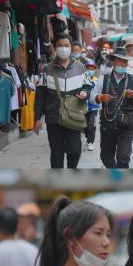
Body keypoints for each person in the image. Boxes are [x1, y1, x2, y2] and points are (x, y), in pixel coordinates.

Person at [35, 33, 92, 168]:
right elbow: (40, 94)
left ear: (71, 48)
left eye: (66, 45)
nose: (63, 48)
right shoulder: (46, 69)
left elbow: (88, 86)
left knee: (75, 150)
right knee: (56, 154)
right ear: (55, 48)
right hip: (53, 117)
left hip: (73, 115)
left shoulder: (80, 67)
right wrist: (37, 118)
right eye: (60, 45)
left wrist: (85, 93)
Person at [91, 47, 133, 168]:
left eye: (125, 62)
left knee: (124, 157)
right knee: (106, 157)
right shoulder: (103, 79)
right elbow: (92, 96)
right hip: (107, 124)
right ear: (113, 62)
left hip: (126, 123)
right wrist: (100, 97)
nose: (122, 64)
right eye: (119, 61)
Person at [83, 58, 100, 152]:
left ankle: (90, 142)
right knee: (84, 125)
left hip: (93, 107)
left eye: (92, 68)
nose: (90, 70)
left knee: (91, 124)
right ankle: (87, 135)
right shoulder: (82, 80)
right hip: (84, 106)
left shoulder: (97, 80)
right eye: (88, 68)